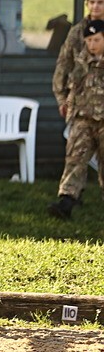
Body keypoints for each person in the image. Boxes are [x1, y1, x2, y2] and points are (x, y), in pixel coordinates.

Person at [48, 19, 104, 220]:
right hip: (82, 117)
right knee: (75, 158)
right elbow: (65, 76)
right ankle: (66, 202)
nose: (92, 45)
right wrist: (64, 101)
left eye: (96, 40)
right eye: (88, 40)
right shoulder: (81, 62)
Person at [53, 0, 104, 118]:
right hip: (81, 104)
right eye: (92, 2)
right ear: (87, 4)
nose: (95, 6)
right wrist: (61, 98)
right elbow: (64, 63)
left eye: (100, 2)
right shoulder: (77, 31)